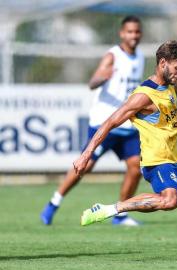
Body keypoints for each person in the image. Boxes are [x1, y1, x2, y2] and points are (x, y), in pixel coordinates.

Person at [75, 40, 177, 242]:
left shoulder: (168, 87)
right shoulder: (144, 96)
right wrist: (86, 154)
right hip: (156, 163)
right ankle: (111, 209)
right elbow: (109, 122)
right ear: (162, 63)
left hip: (173, 163)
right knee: (170, 201)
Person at [40, 16, 145, 226]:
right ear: (121, 33)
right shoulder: (112, 56)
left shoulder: (140, 56)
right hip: (104, 123)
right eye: (129, 32)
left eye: (137, 32)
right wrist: (102, 78)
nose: (133, 36)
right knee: (84, 166)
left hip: (126, 124)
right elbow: (92, 82)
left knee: (136, 167)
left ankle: (121, 214)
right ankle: (54, 202)